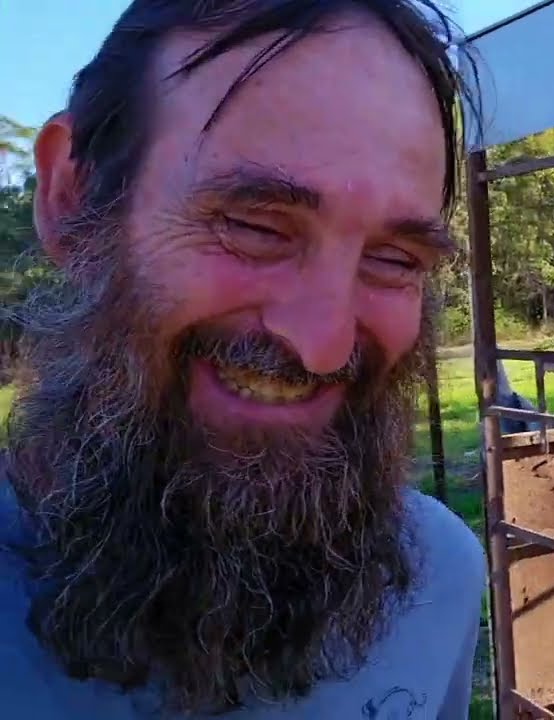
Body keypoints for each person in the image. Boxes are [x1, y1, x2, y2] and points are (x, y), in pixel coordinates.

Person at [0, 1, 487, 718]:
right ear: (71, 199)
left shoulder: (437, 580)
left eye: (393, 259)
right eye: (254, 226)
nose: (324, 344)